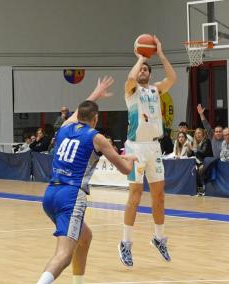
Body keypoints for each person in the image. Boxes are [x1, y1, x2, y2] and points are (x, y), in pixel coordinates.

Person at [37, 76, 137, 284]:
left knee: (85, 237)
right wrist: (133, 160)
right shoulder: (96, 137)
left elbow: (80, 111)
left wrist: (96, 93)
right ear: (96, 119)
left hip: (50, 195)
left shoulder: (64, 127)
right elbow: (125, 169)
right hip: (71, 196)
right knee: (64, 255)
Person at [119, 35, 176, 267]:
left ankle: (159, 237)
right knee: (135, 196)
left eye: (146, 69)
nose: (143, 71)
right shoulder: (131, 91)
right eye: (141, 69)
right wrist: (141, 56)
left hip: (154, 146)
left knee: (159, 196)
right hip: (135, 148)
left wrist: (160, 54)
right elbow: (131, 77)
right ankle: (125, 243)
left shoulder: (155, 89)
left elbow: (172, 77)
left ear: (150, 74)